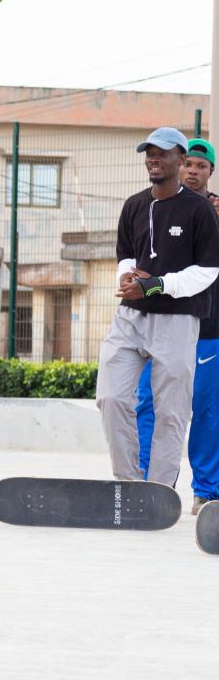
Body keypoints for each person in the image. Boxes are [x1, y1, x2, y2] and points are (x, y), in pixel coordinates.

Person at [96, 126, 219, 488]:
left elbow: (208, 270)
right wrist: (126, 276)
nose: (154, 159)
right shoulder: (134, 204)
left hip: (177, 321)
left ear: (179, 159)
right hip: (130, 317)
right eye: (149, 153)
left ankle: (159, 492)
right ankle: (129, 483)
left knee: (171, 413)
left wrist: (156, 285)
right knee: (110, 398)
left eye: (162, 153)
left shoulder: (200, 210)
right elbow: (126, 255)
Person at [135, 136, 219, 512]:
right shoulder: (154, 208)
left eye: (202, 166)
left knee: (205, 410)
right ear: (178, 165)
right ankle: (149, 482)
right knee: (148, 403)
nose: (193, 171)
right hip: (157, 325)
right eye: (189, 164)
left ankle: (207, 491)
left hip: (208, 329)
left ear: (210, 172)